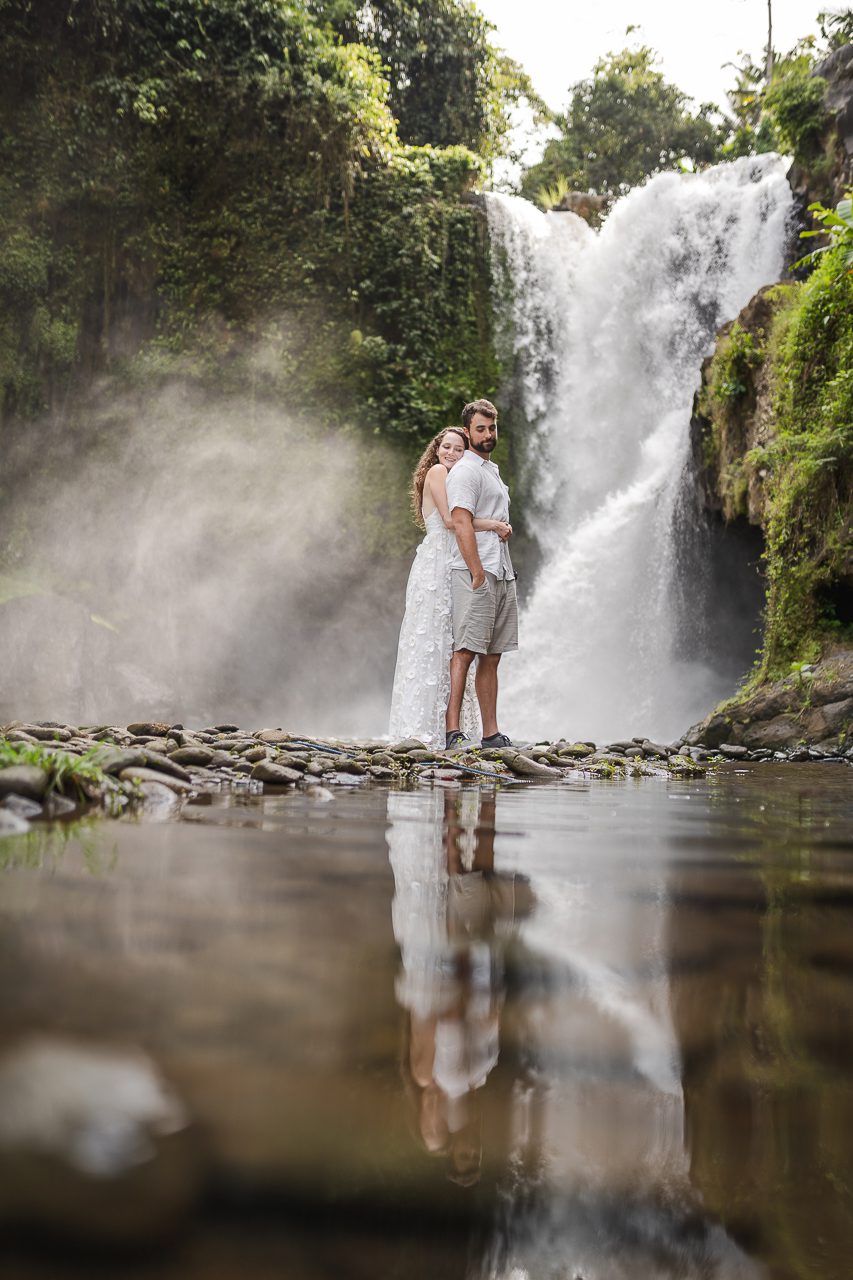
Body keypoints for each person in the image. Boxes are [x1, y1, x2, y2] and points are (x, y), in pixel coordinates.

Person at [389, 428, 511, 748]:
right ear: (437, 449)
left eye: (459, 449)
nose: (452, 453)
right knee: (433, 642)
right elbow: (449, 521)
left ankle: (441, 725)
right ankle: (426, 729)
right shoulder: (439, 471)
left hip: (448, 562)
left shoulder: (456, 476)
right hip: (437, 564)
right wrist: (493, 524)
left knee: (445, 643)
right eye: (447, 447)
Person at [445, 399, 518, 750]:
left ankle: (490, 733)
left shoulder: (491, 470)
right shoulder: (466, 471)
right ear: (467, 431)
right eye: (480, 429)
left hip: (501, 569)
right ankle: (453, 731)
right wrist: (476, 572)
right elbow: (460, 521)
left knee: (492, 655)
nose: (488, 435)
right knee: (465, 651)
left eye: (492, 428)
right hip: (478, 571)